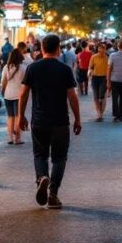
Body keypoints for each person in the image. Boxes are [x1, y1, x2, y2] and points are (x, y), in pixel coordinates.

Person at [17, 35, 82, 210]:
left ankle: (42, 177)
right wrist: (77, 119)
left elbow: (23, 94)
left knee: (40, 154)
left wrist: (20, 116)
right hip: (60, 121)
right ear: (58, 48)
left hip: (39, 120)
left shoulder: (33, 68)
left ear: (43, 49)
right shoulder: (65, 69)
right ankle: (53, 193)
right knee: (60, 158)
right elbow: (72, 96)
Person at [1, 49, 27, 145]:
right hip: (19, 95)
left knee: (10, 117)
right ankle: (17, 139)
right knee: (18, 116)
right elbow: (26, 84)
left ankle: (10, 139)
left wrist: (3, 92)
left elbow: (3, 82)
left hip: (8, 95)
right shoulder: (23, 68)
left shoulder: (6, 67)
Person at [89, 43, 109, 121]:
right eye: (99, 50)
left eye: (103, 50)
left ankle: (101, 112)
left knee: (102, 96)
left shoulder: (108, 58)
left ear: (105, 50)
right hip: (95, 78)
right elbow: (90, 67)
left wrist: (109, 80)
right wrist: (90, 73)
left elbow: (110, 69)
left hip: (104, 78)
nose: (101, 52)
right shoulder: (94, 57)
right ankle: (99, 114)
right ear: (97, 49)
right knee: (95, 96)